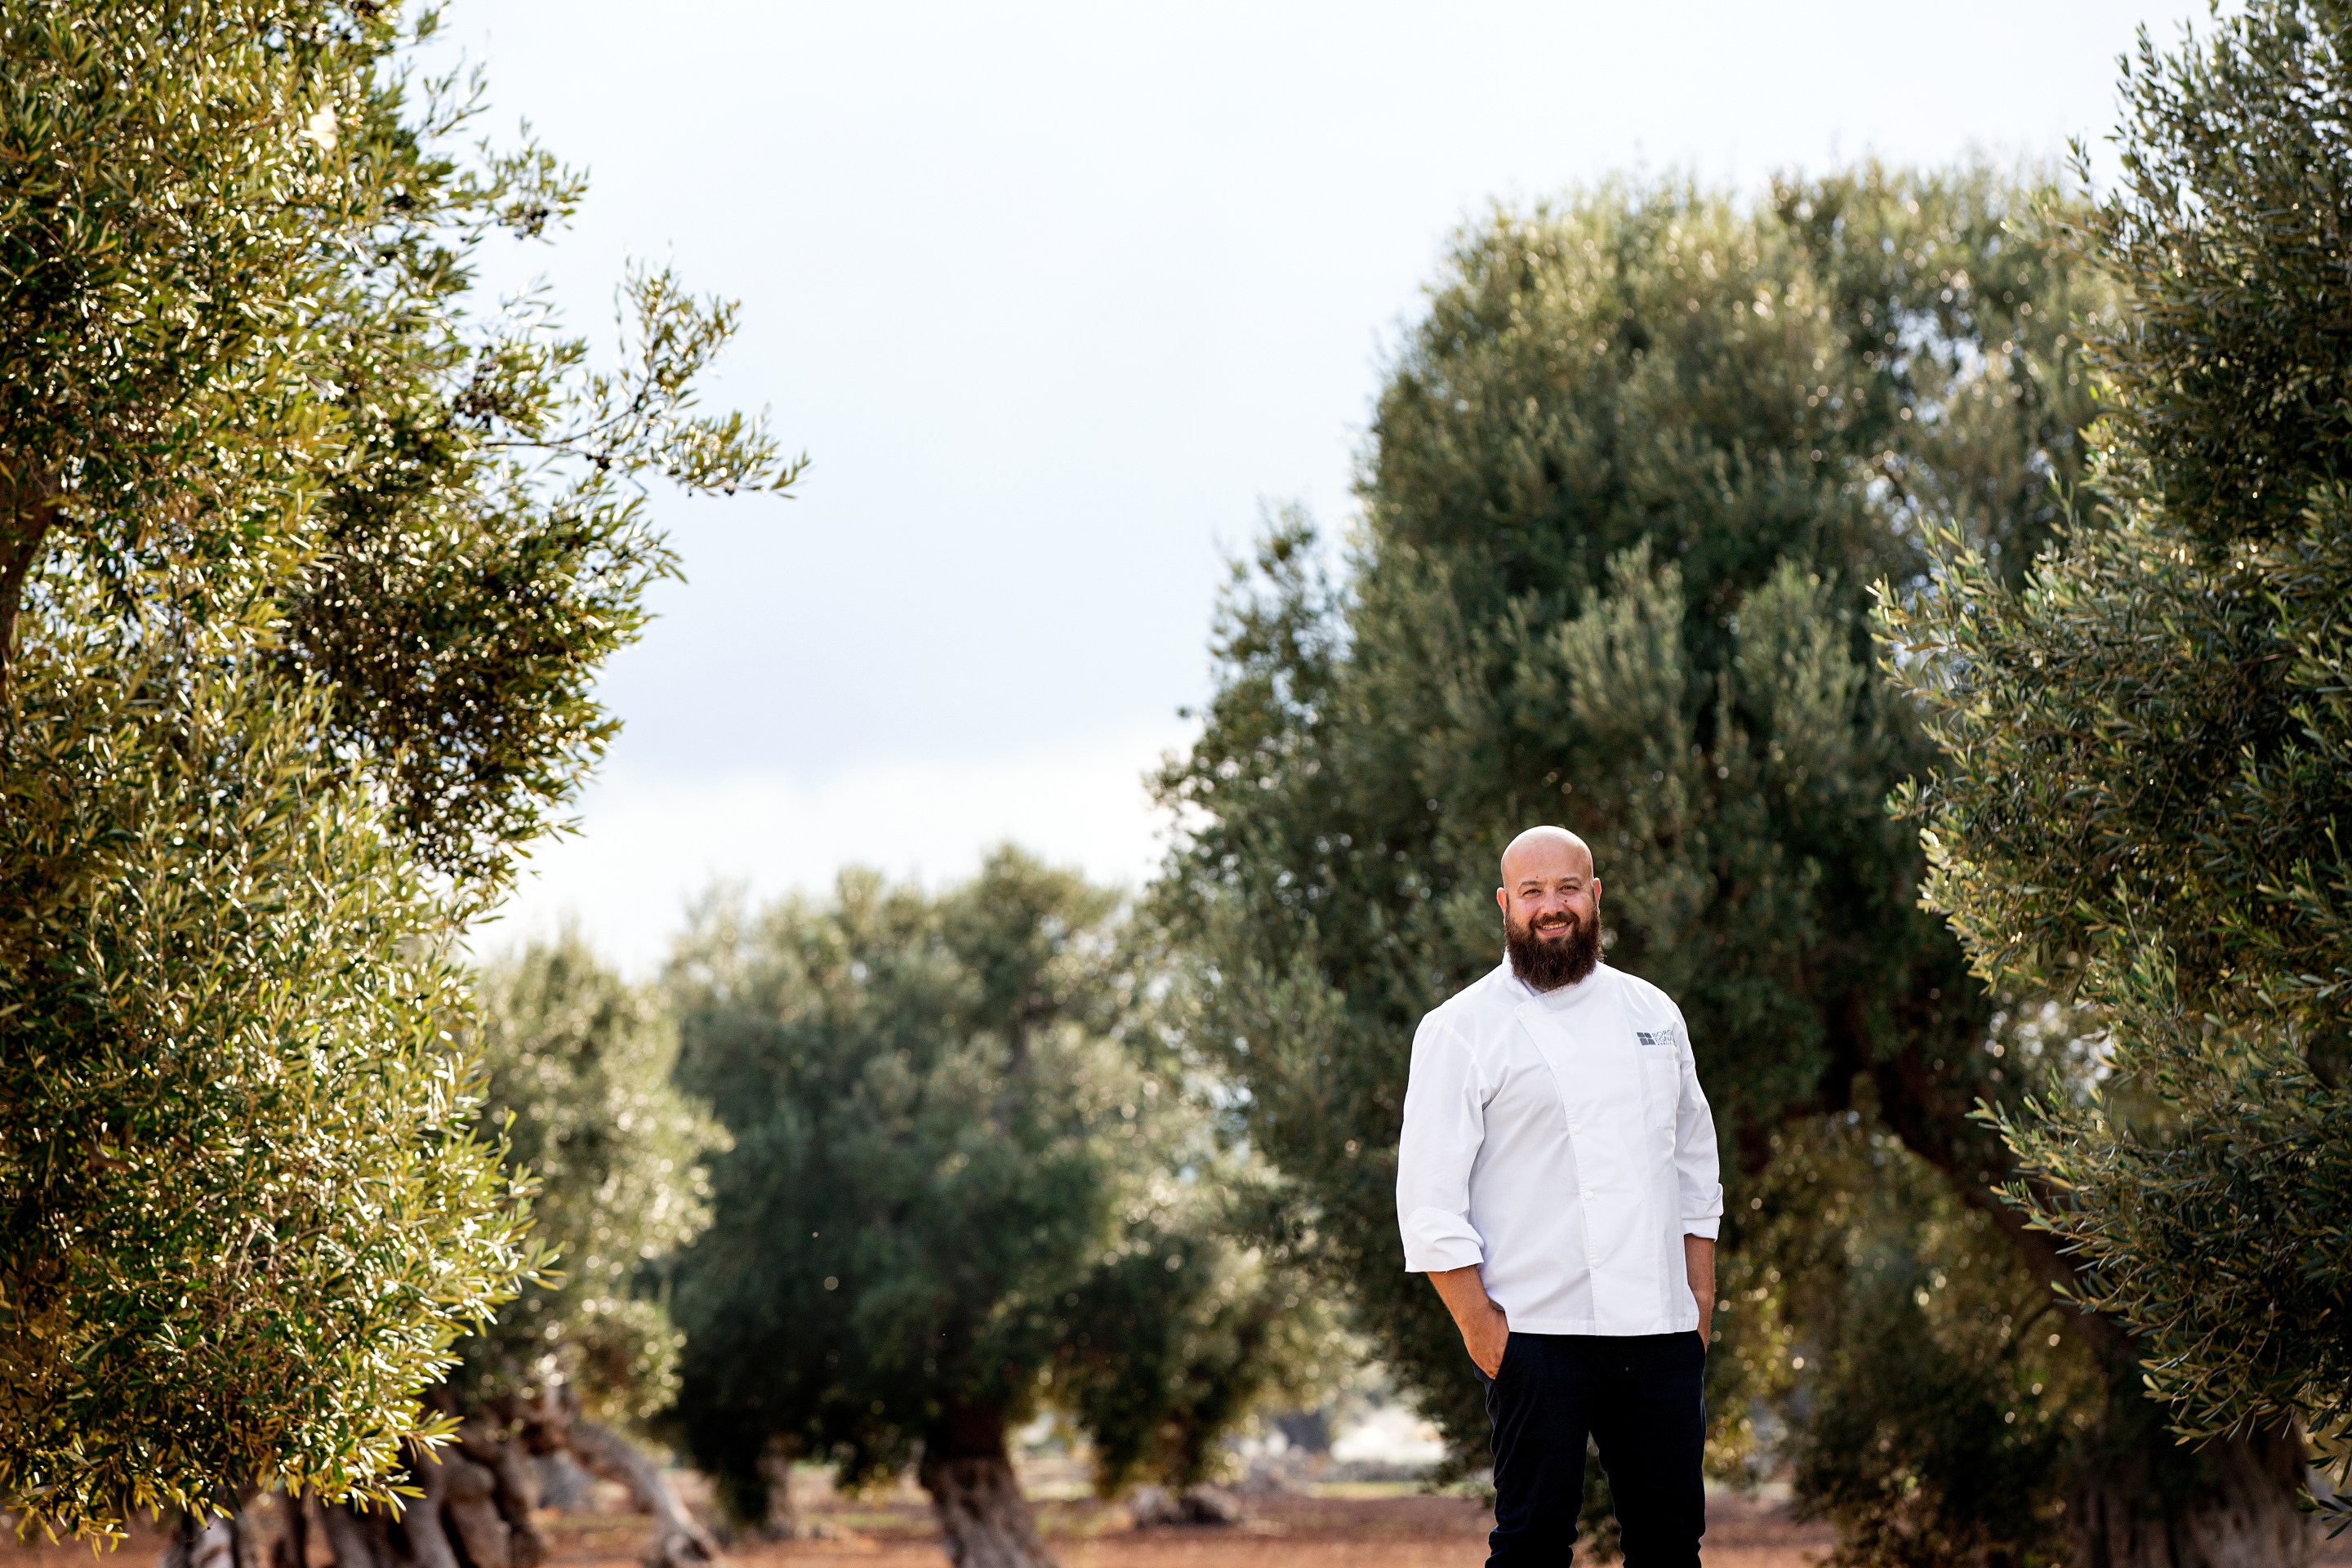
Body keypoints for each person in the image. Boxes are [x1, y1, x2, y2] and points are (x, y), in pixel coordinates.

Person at [1396, 826, 1722, 1566]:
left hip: (1659, 1331)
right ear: (1506, 905)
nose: (1553, 906)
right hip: (1535, 1333)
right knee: (1533, 1546)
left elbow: (1695, 1163)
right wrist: (1486, 1334)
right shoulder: (1459, 1029)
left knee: (1672, 1545)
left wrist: (1697, 1300)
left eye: (1568, 888)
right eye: (1533, 892)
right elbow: (1428, 1202)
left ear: (1595, 896)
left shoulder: (1654, 1013)